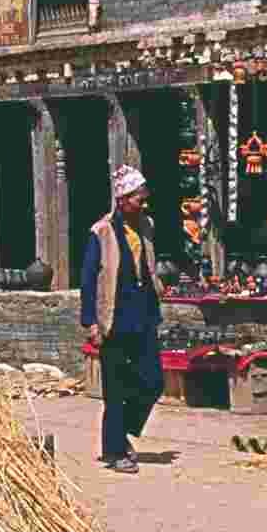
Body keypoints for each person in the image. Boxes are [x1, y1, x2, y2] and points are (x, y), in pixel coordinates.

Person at [79, 164, 166, 472]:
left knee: (154, 381)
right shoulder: (101, 232)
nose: (143, 204)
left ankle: (120, 432)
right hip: (113, 319)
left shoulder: (146, 226)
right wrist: (90, 321)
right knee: (115, 389)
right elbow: (89, 279)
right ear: (122, 200)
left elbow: (148, 266)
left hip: (143, 315)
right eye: (138, 199)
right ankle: (115, 451)